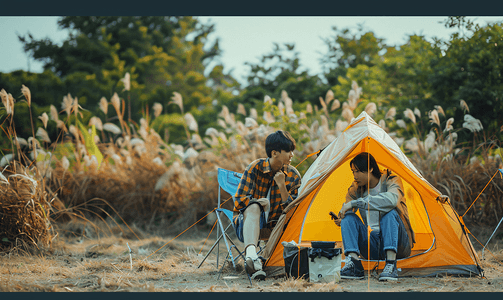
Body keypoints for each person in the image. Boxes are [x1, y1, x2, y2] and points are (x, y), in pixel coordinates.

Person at [334, 152, 415, 281]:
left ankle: (390, 265)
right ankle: (354, 265)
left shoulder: (391, 179)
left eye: (358, 171)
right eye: (353, 171)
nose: (355, 176)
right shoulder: (356, 188)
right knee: (348, 218)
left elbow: (392, 200)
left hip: (398, 243)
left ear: (371, 168)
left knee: (389, 213)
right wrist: (341, 217)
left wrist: (356, 203)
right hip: (373, 245)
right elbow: (347, 208)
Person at [233, 130, 302, 280]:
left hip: (278, 230)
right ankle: (252, 255)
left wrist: (282, 187)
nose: (292, 155)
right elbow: (239, 201)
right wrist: (258, 203)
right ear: (275, 153)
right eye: (288, 151)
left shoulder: (293, 175)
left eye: (292, 151)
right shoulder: (255, 168)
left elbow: (294, 213)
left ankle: (257, 262)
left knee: (290, 217)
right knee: (253, 207)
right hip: (248, 226)